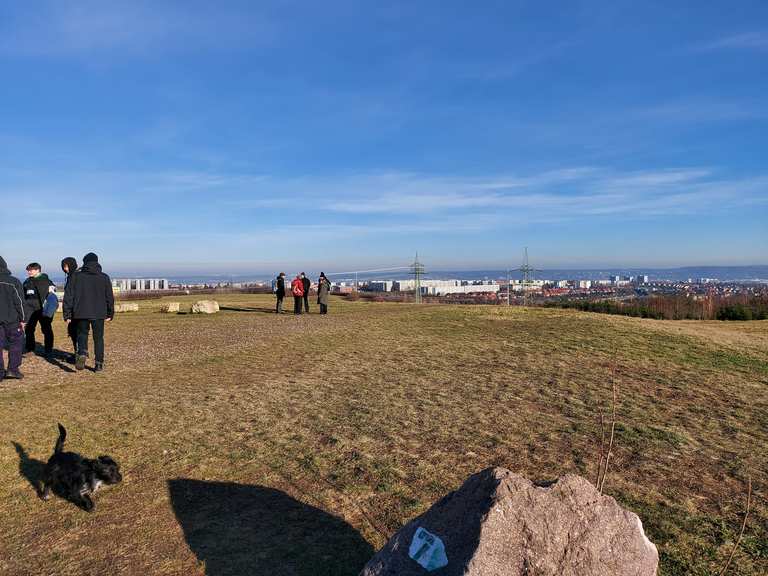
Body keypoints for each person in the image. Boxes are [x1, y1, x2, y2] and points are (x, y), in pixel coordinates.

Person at [63, 253, 114, 372]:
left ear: (84, 262)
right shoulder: (104, 277)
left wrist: (67, 314)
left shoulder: (76, 276)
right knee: (98, 339)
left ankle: (82, 352)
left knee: (82, 334)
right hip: (99, 313)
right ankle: (99, 364)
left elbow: (69, 296)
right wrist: (110, 313)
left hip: (81, 312)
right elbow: (109, 297)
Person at [0, 256, 26, 380]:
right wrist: (23, 319)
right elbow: (19, 302)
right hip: (12, 320)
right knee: (16, 343)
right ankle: (12, 369)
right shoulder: (13, 281)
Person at [23, 263, 56, 358]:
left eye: (31, 270)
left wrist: (49, 310)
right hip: (30, 310)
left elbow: (52, 297)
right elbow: (23, 295)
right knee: (29, 329)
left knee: (46, 329)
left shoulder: (46, 281)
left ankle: (48, 350)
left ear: (38, 270)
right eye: (28, 270)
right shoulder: (27, 282)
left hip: (43, 309)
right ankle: (30, 348)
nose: (29, 272)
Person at [61, 257, 79, 358]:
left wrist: (67, 314)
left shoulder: (73, 277)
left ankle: (78, 353)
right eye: (63, 267)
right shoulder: (75, 276)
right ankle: (80, 352)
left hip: (74, 309)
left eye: (66, 266)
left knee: (74, 331)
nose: (65, 269)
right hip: (79, 308)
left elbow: (68, 297)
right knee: (77, 331)